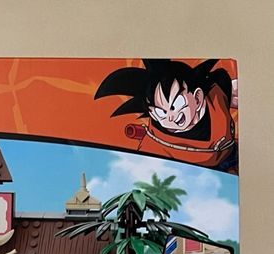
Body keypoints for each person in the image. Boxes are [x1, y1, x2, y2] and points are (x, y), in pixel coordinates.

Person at [95, 59, 237, 172]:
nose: (170, 118)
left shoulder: (216, 94)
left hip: (231, 158)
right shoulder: (154, 144)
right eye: (161, 112)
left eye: (174, 106)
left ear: (198, 98)